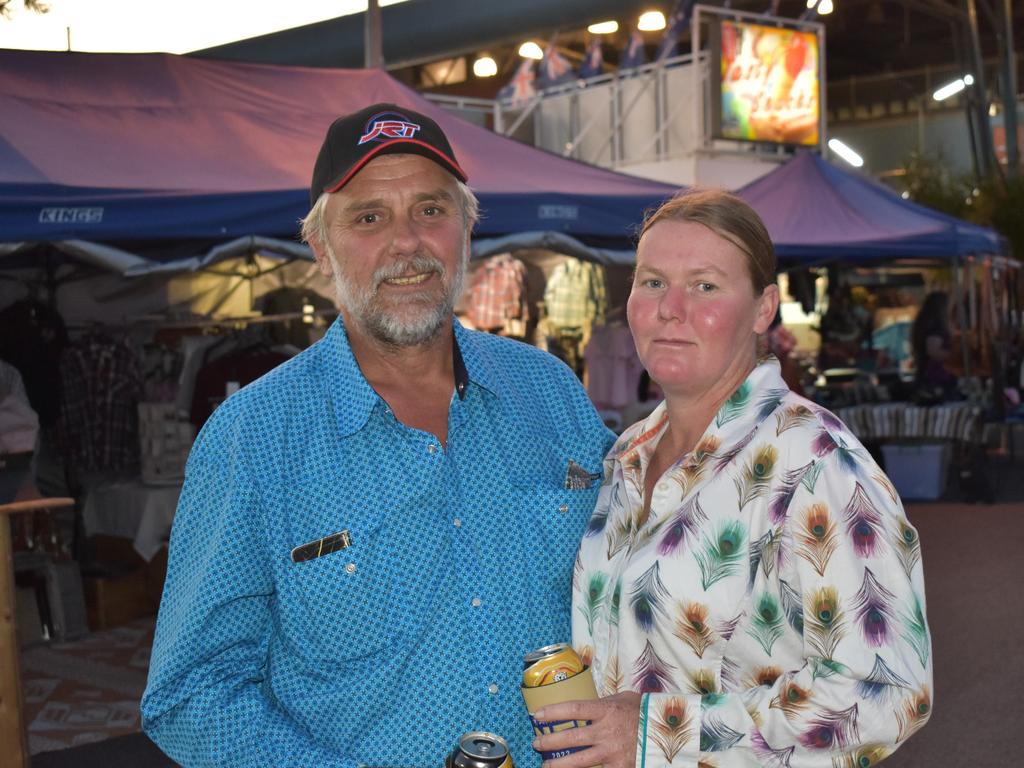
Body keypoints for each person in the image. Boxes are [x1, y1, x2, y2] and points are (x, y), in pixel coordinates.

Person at [141, 103, 615, 766]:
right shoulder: (252, 440)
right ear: (320, 247)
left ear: (466, 227)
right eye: (369, 218)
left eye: (431, 210)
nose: (407, 244)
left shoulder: (550, 394)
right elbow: (190, 693)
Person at [533, 190, 933, 767]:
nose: (671, 308)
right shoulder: (627, 456)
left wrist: (654, 733)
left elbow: (888, 694)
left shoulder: (815, 463)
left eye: (705, 286)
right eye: (651, 282)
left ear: (764, 308)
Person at [911, 290, 957, 402]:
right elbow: (933, 351)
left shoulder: (925, 325)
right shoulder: (935, 328)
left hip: (928, 375)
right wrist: (957, 356)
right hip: (936, 378)